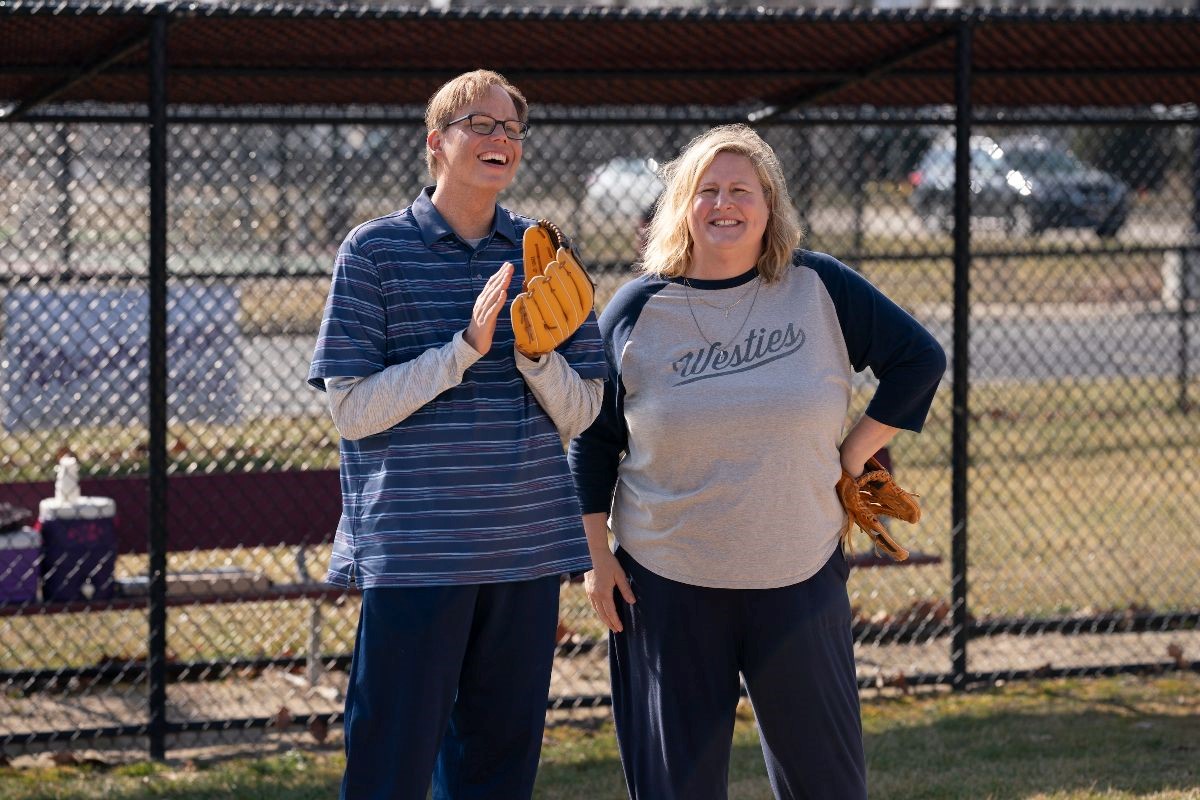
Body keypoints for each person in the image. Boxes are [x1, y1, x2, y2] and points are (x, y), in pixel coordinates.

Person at [568, 124, 946, 800]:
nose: (724, 204)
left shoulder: (819, 286)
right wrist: (596, 558)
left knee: (827, 785)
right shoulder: (638, 308)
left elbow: (919, 359)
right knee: (674, 787)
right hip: (667, 581)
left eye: (742, 190)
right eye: (707, 190)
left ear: (770, 206)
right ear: (682, 205)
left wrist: (854, 453)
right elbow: (593, 440)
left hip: (797, 576)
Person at [308, 69, 607, 800]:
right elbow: (351, 411)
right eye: (481, 124)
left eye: (510, 128)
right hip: (417, 555)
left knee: (495, 774)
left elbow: (584, 412)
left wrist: (535, 358)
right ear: (437, 142)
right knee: (390, 767)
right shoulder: (374, 251)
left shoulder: (547, 257)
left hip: (524, 552)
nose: (499, 138)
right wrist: (462, 351)